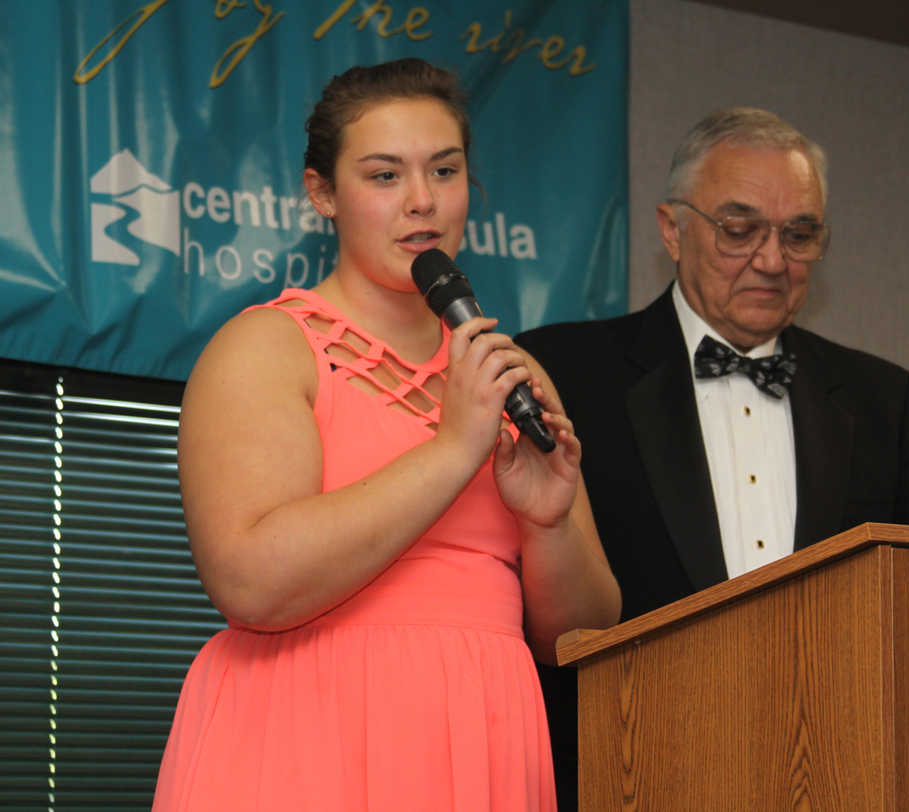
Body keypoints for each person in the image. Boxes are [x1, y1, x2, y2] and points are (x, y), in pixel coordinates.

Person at [152, 58, 621, 811]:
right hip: (307, 740)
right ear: (322, 194)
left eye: (445, 170)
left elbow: (580, 637)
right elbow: (251, 584)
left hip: (484, 741)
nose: (423, 203)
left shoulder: (507, 370)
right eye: (384, 176)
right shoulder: (265, 348)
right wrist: (451, 452)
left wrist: (550, 519)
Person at [515, 106, 909, 810]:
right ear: (672, 230)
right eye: (740, 230)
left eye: (800, 235)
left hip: (830, 777)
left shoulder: (879, 398)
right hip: (628, 769)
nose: (772, 260)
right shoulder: (564, 370)